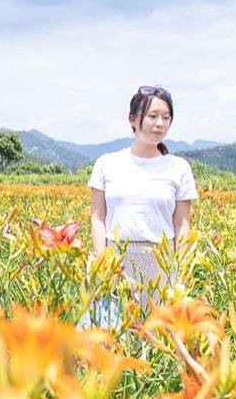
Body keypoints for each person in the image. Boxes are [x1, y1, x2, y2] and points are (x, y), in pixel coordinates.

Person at [85, 85, 198, 327]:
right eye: (153, 116)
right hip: (115, 259)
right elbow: (98, 217)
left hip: (160, 263)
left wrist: (179, 272)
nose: (160, 124)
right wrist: (103, 261)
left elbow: (183, 224)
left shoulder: (179, 168)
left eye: (166, 118)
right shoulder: (107, 163)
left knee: (154, 343)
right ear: (133, 119)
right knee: (109, 336)